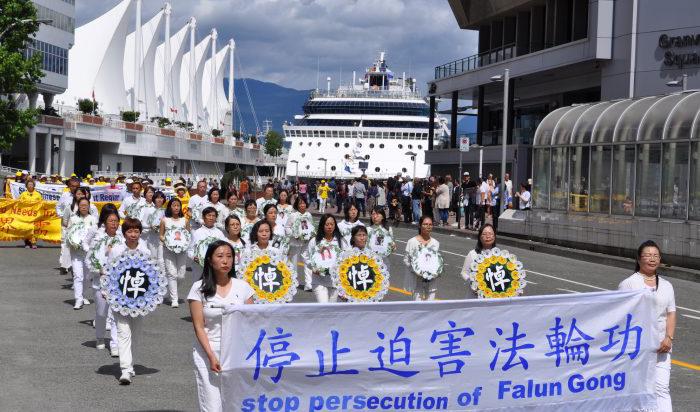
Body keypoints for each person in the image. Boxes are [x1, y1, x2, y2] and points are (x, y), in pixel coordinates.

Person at [188, 241, 254, 411]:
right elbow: (199, 327)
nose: (225, 261)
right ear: (210, 260)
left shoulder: (244, 288)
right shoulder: (199, 288)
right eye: (220, 256)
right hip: (208, 351)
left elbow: (250, 324)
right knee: (212, 406)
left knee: (234, 404)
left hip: (236, 353)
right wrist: (210, 355)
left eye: (229, 256)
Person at [618, 240, 676, 412]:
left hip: (661, 346)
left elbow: (671, 312)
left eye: (656, 255)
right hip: (637, 348)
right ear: (638, 258)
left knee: (661, 388)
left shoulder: (666, 285)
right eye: (648, 255)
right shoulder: (628, 284)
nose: (652, 259)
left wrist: (669, 337)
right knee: (639, 389)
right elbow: (619, 314)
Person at [108, 217, 150, 385]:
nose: (133, 234)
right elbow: (110, 272)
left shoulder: (145, 250)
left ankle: (130, 365)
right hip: (120, 298)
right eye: (130, 231)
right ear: (124, 233)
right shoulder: (117, 249)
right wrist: (108, 291)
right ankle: (125, 369)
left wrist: (153, 297)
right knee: (123, 332)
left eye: (136, 231)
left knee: (136, 334)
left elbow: (151, 275)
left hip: (140, 299)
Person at [88, 204, 122, 355]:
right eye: (111, 221)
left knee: (116, 314)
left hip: (117, 283)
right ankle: (100, 337)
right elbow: (89, 260)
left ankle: (115, 344)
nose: (114, 224)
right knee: (101, 313)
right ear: (105, 222)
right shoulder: (98, 239)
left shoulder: (122, 239)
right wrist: (98, 270)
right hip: (100, 281)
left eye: (116, 221)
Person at [304, 214, 345, 303]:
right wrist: (313, 267)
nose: (329, 227)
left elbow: (346, 258)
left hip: (334, 282)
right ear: (322, 225)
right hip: (319, 281)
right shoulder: (314, 241)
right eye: (327, 224)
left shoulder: (340, 241)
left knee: (331, 309)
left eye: (332, 224)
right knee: (324, 305)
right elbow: (306, 256)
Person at [67, 197, 98, 310]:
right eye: (81, 205)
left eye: (86, 205)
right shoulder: (73, 218)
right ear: (78, 207)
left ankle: (83, 294)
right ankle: (78, 299)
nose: (83, 207)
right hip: (76, 252)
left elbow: (96, 235)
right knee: (78, 276)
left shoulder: (93, 219)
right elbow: (68, 233)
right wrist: (72, 242)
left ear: (89, 206)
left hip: (88, 252)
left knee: (87, 276)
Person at [160, 198, 190, 308]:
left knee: (181, 275)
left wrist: (184, 244)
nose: (176, 207)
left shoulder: (185, 220)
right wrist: (167, 242)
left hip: (182, 250)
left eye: (178, 205)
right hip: (168, 250)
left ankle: (170, 291)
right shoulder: (165, 220)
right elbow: (161, 235)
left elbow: (188, 235)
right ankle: (174, 299)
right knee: (172, 273)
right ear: (170, 207)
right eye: (174, 205)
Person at [403, 215, 441, 301]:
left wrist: (435, 270)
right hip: (416, 279)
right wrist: (416, 270)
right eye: (425, 224)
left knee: (430, 306)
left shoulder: (436, 243)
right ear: (420, 226)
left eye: (430, 224)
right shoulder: (412, 242)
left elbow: (437, 260)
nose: (428, 226)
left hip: (431, 280)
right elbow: (406, 260)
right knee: (418, 305)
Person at [189, 207, 227, 283]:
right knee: (198, 288)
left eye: (213, 216)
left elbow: (225, 249)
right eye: (209, 215)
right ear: (203, 217)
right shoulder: (196, 233)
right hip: (199, 267)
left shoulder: (219, 233)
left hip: (215, 267)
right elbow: (190, 250)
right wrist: (193, 257)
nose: (211, 218)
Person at [461, 224, 496, 299]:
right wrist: (473, 283)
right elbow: (464, 273)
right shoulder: (473, 254)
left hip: (492, 297)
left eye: (490, 234)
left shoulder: (499, 256)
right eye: (484, 234)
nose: (488, 236)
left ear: (494, 236)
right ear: (480, 237)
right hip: (474, 296)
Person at [286, 196, 314, 291]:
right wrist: (294, 235)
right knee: (294, 262)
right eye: (300, 203)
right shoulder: (293, 215)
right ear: (297, 205)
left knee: (307, 261)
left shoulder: (308, 215)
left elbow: (311, 226)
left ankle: (308, 284)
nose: (302, 205)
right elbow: (287, 227)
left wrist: (311, 234)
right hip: (296, 242)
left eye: (304, 203)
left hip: (306, 241)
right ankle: (294, 281)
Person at [56, 176, 81, 274]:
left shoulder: (82, 196)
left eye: (76, 186)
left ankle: (74, 264)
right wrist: (63, 216)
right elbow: (58, 207)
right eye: (72, 186)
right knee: (65, 244)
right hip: (67, 224)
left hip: (78, 226)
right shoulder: (65, 195)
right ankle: (64, 265)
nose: (74, 188)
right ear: (69, 186)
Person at [367, 207, 395, 274]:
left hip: (384, 263)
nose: (375, 216)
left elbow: (391, 245)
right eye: (373, 214)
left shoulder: (388, 229)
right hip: (370, 263)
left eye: (377, 214)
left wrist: (392, 247)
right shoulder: (367, 229)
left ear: (383, 216)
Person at [19, 179, 41, 248]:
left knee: (34, 228)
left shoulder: (38, 194)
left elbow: (41, 203)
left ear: (34, 185)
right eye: (29, 184)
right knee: (26, 228)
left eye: (31, 184)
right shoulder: (23, 194)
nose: (30, 186)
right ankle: (27, 242)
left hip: (35, 214)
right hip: (26, 214)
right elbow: (19, 203)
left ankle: (33, 243)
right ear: (26, 186)